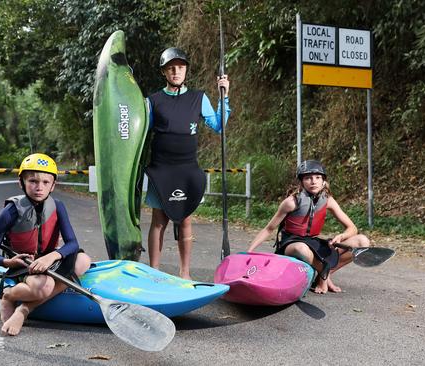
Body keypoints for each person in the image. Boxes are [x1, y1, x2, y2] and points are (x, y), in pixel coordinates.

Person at [144, 47, 231, 280]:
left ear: (186, 70)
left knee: (185, 220)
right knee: (159, 221)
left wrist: (224, 96)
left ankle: (185, 273)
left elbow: (219, 125)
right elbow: (140, 132)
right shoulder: (152, 101)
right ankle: (154, 272)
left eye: (180, 67)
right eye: (171, 68)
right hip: (161, 168)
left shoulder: (198, 98)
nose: (176, 71)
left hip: (186, 167)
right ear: (164, 71)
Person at [0, 153, 91, 336]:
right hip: (23, 266)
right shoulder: (10, 212)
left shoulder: (58, 206)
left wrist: (52, 256)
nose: (39, 187)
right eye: (33, 181)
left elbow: (72, 243)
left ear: (53, 185)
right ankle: (8, 295)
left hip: (49, 260)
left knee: (83, 260)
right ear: (21, 183)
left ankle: (24, 310)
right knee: (45, 286)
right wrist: (9, 262)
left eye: (45, 182)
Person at [247, 160, 370, 294]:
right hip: (291, 244)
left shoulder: (328, 200)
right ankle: (324, 274)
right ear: (301, 182)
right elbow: (268, 229)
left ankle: (325, 274)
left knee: (362, 241)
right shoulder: (291, 202)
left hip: (313, 242)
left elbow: (352, 228)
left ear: (323, 181)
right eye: (308, 178)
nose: (313, 181)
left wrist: (341, 236)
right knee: (302, 248)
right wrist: (249, 251)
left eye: (318, 177)